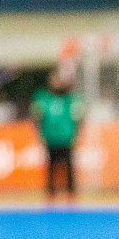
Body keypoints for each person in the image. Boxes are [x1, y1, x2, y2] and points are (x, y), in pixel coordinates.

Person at [32, 63, 83, 202]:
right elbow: (37, 117)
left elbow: (79, 117)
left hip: (66, 137)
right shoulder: (43, 97)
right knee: (51, 167)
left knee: (68, 167)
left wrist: (76, 135)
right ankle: (50, 194)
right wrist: (39, 134)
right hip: (50, 137)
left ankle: (71, 194)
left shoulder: (71, 98)